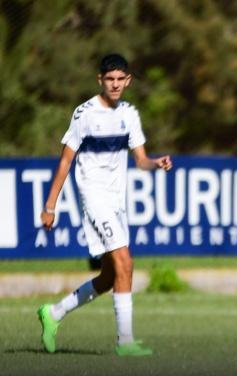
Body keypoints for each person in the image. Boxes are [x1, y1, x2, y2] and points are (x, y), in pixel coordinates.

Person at [37, 54, 172, 356]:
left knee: (111, 276)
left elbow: (140, 161)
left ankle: (53, 313)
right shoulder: (84, 113)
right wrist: (50, 206)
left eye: (119, 79)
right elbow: (65, 161)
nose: (114, 84)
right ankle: (125, 343)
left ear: (128, 81)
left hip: (116, 203)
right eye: (109, 79)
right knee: (126, 262)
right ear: (100, 80)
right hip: (94, 199)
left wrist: (156, 162)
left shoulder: (130, 115)